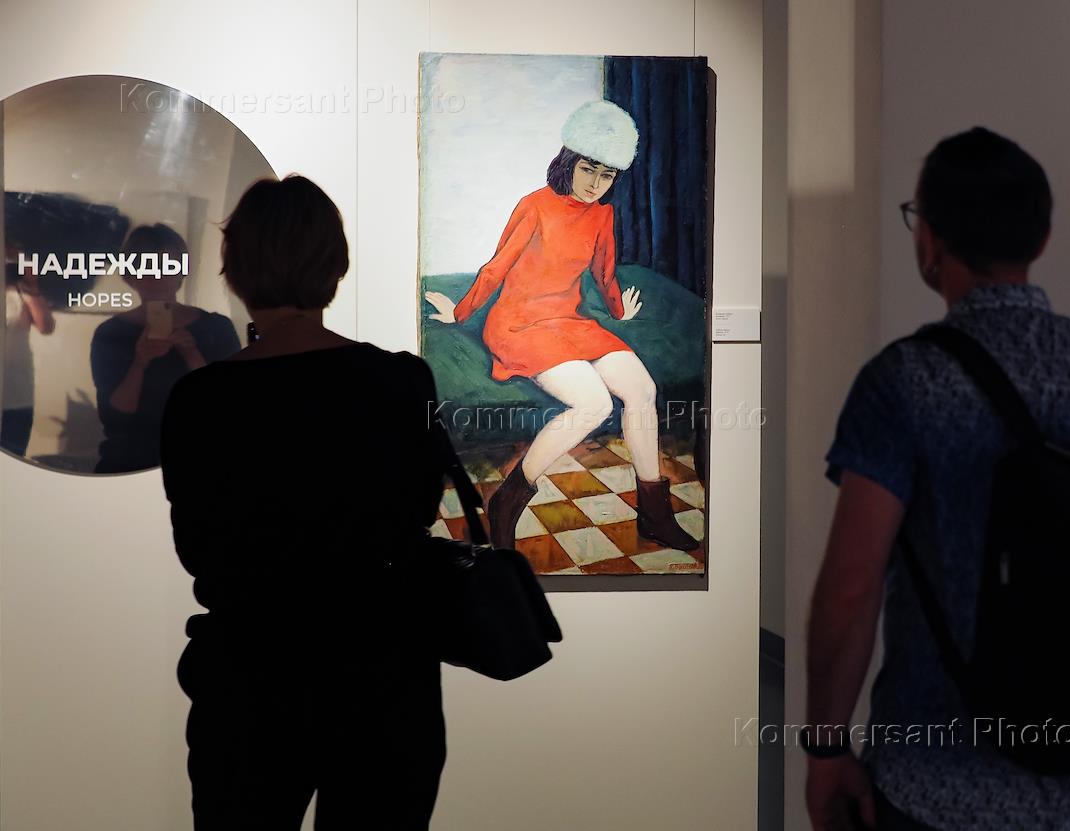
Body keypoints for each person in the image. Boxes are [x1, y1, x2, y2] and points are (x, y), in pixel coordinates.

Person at [805, 127, 1070, 831]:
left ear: (929, 241)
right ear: (1042, 236)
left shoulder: (903, 381)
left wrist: (825, 748)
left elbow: (851, 587)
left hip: (934, 786)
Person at [160, 174, 448, 829]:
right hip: (383, 673)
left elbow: (196, 546)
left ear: (235, 270)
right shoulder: (401, 381)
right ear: (334, 265)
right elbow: (418, 512)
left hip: (251, 676)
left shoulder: (201, 399)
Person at [422, 99, 698, 553]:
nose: (595, 184)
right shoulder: (534, 206)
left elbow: (604, 273)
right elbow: (495, 268)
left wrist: (617, 311)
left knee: (642, 389)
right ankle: (508, 499)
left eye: (607, 175)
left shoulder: (603, 215)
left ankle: (653, 513)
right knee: (593, 404)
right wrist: (460, 313)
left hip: (569, 322)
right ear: (569, 161)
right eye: (588, 169)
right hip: (520, 324)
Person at [91, 223, 240, 473]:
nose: (157, 277)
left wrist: (192, 354)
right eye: (146, 266)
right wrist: (139, 362)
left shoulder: (216, 328)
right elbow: (115, 417)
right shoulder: (111, 333)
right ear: (130, 274)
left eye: (168, 266)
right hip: (127, 463)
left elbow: (228, 409)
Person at [2, 247, 55, 456]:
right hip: (16, 394)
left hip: (17, 397)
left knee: (15, 457)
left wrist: (32, 285)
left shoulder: (21, 292)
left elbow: (46, 327)